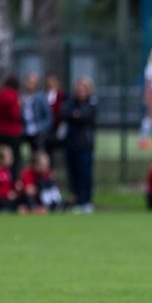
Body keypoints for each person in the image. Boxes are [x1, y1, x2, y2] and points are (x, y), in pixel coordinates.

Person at [63, 77, 98, 213]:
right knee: (74, 174)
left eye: (83, 88)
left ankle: (86, 201)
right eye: (78, 88)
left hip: (85, 144)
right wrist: (75, 115)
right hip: (71, 143)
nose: (80, 91)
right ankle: (76, 201)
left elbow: (86, 117)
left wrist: (76, 116)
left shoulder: (92, 103)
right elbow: (64, 113)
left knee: (85, 174)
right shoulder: (71, 102)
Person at [0, 74, 23, 180]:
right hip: (11, 133)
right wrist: (19, 107)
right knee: (11, 161)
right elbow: (14, 115)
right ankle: (11, 184)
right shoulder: (12, 96)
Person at [20, 71, 52, 162]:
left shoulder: (40, 97)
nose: (31, 84)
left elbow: (48, 117)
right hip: (24, 131)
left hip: (37, 132)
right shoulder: (21, 96)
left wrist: (40, 128)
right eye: (29, 81)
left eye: (34, 82)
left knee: (38, 157)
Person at [45, 73, 66, 155]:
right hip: (46, 129)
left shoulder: (61, 95)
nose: (50, 84)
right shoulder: (43, 95)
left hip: (58, 127)